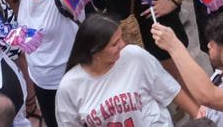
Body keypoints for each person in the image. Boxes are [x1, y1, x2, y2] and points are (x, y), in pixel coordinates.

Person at [54, 13, 191, 127]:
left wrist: (202, 116)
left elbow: (171, 91)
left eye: (121, 38)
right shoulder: (69, 87)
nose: (122, 44)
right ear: (95, 52)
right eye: (114, 43)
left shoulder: (134, 56)